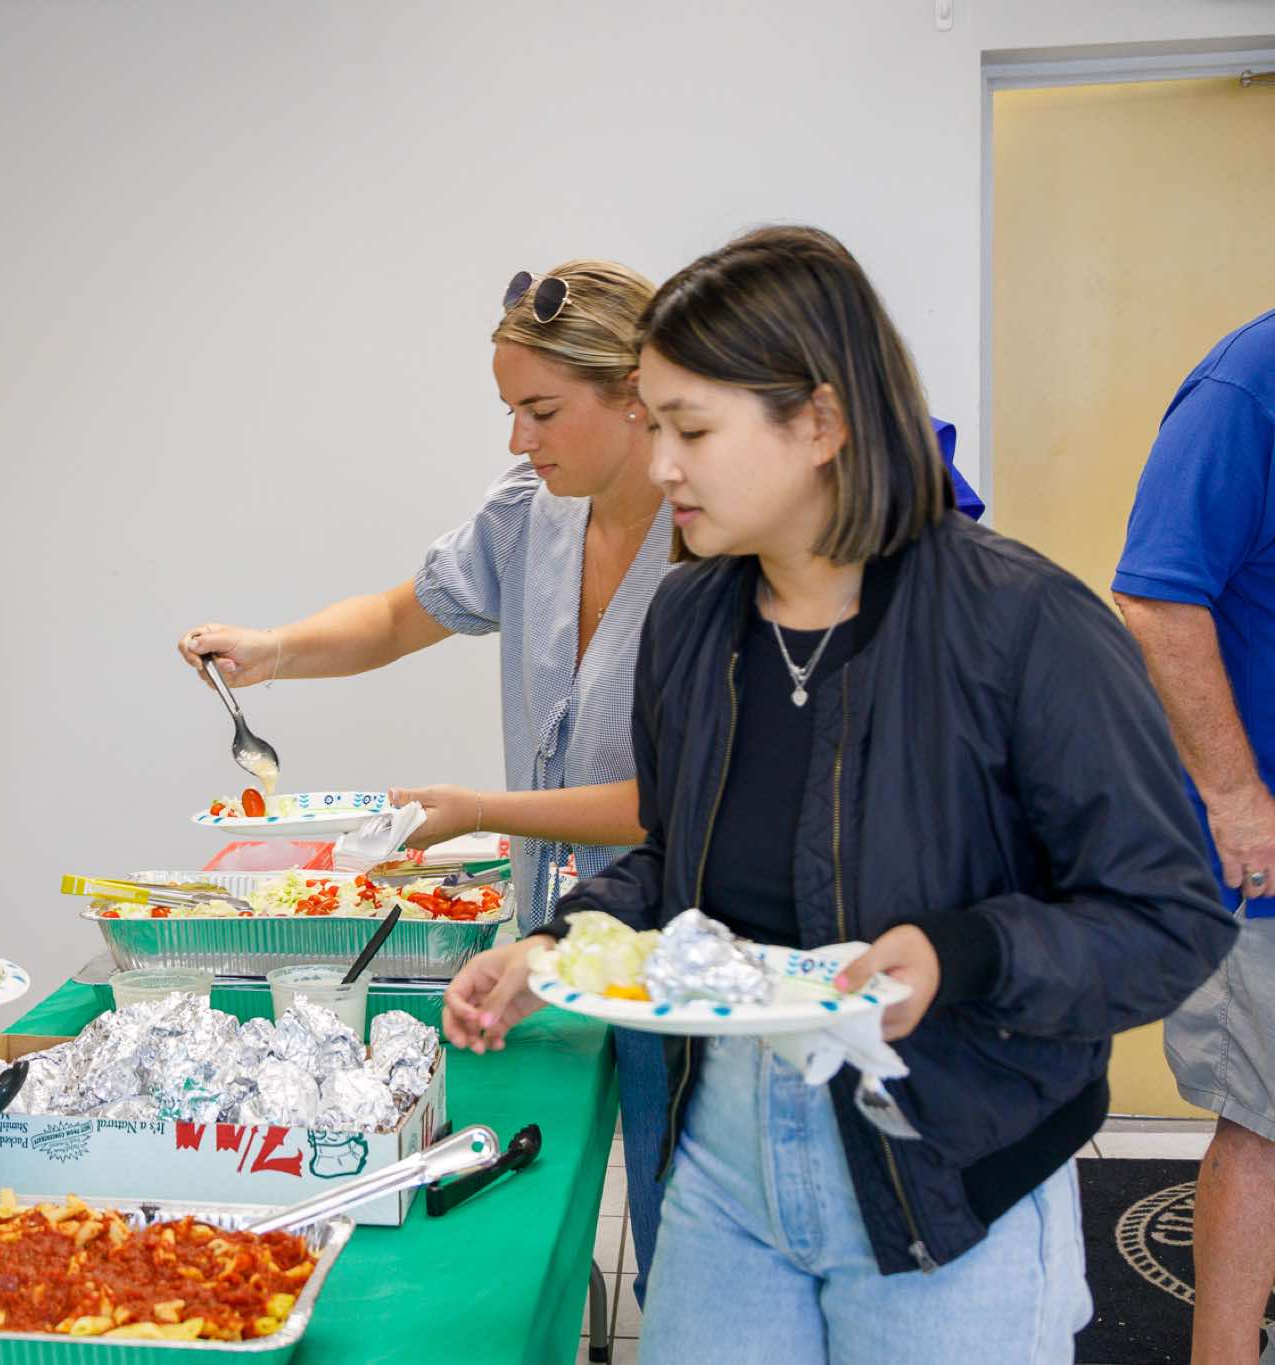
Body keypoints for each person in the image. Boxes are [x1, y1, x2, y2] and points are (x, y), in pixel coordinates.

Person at [443, 225, 1238, 1363]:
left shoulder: (1023, 624)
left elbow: (1168, 915)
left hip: (950, 1179)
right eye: (654, 427)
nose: (660, 466)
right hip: (723, 1173)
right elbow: (675, 860)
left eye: (691, 430)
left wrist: (959, 955)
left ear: (818, 423)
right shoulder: (690, 620)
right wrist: (559, 945)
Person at [179, 258, 683, 1300]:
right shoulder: (533, 512)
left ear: (634, 392)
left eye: (541, 411)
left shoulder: (707, 544)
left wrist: (478, 810)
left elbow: (673, 807)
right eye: (509, 412)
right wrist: (273, 651)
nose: (518, 441)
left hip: (673, 937)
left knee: (678, 1245)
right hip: (554, 934)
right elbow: (398, 615)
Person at [1112, 306, 1275, 1365]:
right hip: (1264, 854)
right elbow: (1158, 598)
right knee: (1264, 1126)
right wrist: (1236, 800)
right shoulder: (1248, 385)